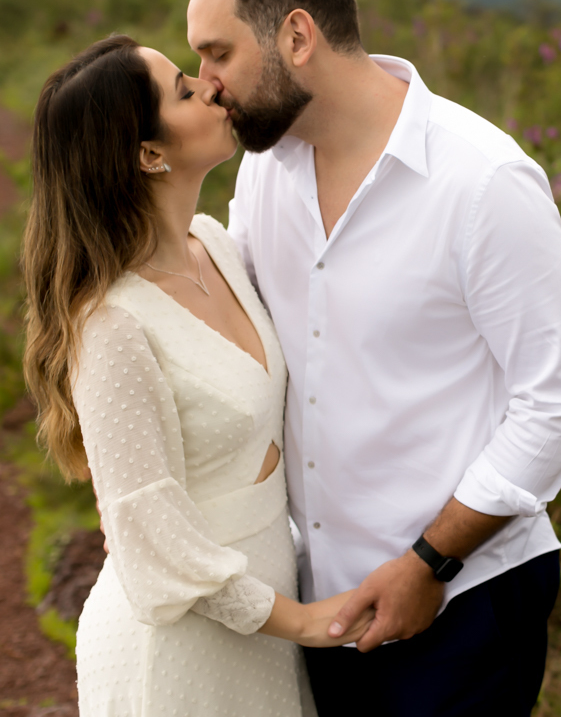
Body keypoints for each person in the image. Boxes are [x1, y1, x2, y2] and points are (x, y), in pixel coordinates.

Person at [180, 0, 561, 714]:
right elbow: (247, 348)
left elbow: (558, 401)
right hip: (316, 601)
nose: (206, 83)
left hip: (463, 598)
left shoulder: (482, 181)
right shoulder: (265, 172)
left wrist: (428, 563)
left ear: (297, 35)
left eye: (218, 53)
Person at [22, 35, 375, 716]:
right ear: (149, 154)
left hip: (266, 625)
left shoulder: (214, 244)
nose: (211, 87)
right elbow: (148, 532)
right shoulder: (112, 325)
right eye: (184, 91)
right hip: (180, 649)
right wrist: (304, 622)